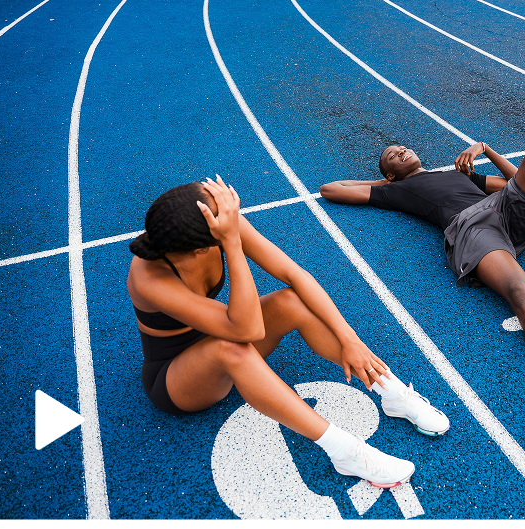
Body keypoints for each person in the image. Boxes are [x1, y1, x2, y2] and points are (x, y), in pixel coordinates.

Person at [127, 176, 449, 488]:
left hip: (221, 333)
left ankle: (390, 391)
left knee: (290, 302)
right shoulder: (150, 278)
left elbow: (295, 275)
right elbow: (248, 329)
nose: (231, 212)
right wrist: (232, 242)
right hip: (176, 378)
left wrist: (350, 340)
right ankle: (345, 451)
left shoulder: (215, 222)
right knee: (231, 349)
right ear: (201, 248)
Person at [319, 125, 525, 422]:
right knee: (523, 296)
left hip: (504, 209)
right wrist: (386, 183)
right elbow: (331, 189)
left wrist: (485, 149)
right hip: (473, 228)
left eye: (401, 147)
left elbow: (518, 180)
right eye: (393, 155)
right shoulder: (395, 190)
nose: (401, 151)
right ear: (390, 173)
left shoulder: (457, 174)